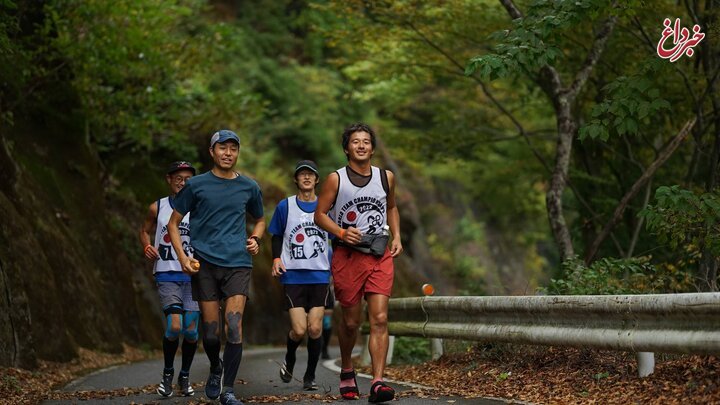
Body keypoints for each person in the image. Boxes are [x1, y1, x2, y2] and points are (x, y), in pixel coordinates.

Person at [168, 130, 265, 405]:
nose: (228, 153)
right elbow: (173, 224)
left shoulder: (249, 186)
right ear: (212, 152)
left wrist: (256, 238)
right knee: (211, 333)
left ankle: (229, 390)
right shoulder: (196, 185)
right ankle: (215, 367)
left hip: (237, 263)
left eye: (233, 148)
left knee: (233, 325)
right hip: (205, 264)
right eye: (222, 148)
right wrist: (183, 258)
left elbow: (259, 219)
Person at [314, 123, 403, 403]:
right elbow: (319, 215)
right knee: (351, 323)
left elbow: (391, 207)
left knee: (379, 318)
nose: (362, 145)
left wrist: (397, 236)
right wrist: (341, 232)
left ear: (373, 148)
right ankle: (347, 369)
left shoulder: (386, 177)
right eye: (355, 141)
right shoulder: (335, 180)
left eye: (366, 141)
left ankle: (378, 382)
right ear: (346, 148)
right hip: (347, 256)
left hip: (379, 253)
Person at [138, 161, 200, 397]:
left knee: (192, 331)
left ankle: (184, 376)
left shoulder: (199, 208)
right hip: (167, 273)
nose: (183, 182)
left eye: (187, 178)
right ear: (169, 179)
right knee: (175, 325)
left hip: (193, 276)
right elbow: (144, 230)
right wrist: (146, 246)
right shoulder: (158, 207)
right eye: (178, 177)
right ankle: (167, 374)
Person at [269, 160, 331, 391]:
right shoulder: (285, 206)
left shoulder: (326, 207)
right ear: (296, 179)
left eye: (310, 175)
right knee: (299, 330)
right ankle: (290, 357)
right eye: (302, 174)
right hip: (293, 275)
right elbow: (275, 235)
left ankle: (310, 376)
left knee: (315, 329)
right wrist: (276, 259)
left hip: (319, 275)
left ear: (317, 180)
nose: (306, 178)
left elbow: (337, 237)